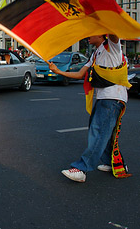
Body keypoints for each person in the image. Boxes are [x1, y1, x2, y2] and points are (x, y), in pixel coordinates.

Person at [49, 34, 131, 183]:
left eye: (91, 33)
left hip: (113, 97)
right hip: (104, 97)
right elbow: (81, 74)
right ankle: (114, 163)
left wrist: (103, 18)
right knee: (104, 133)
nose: (87, 36)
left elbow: (112, 32)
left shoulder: (112, 47)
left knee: (99, 132)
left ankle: (82, 168)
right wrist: (58, 72)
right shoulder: (95, 53)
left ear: (101, 34)